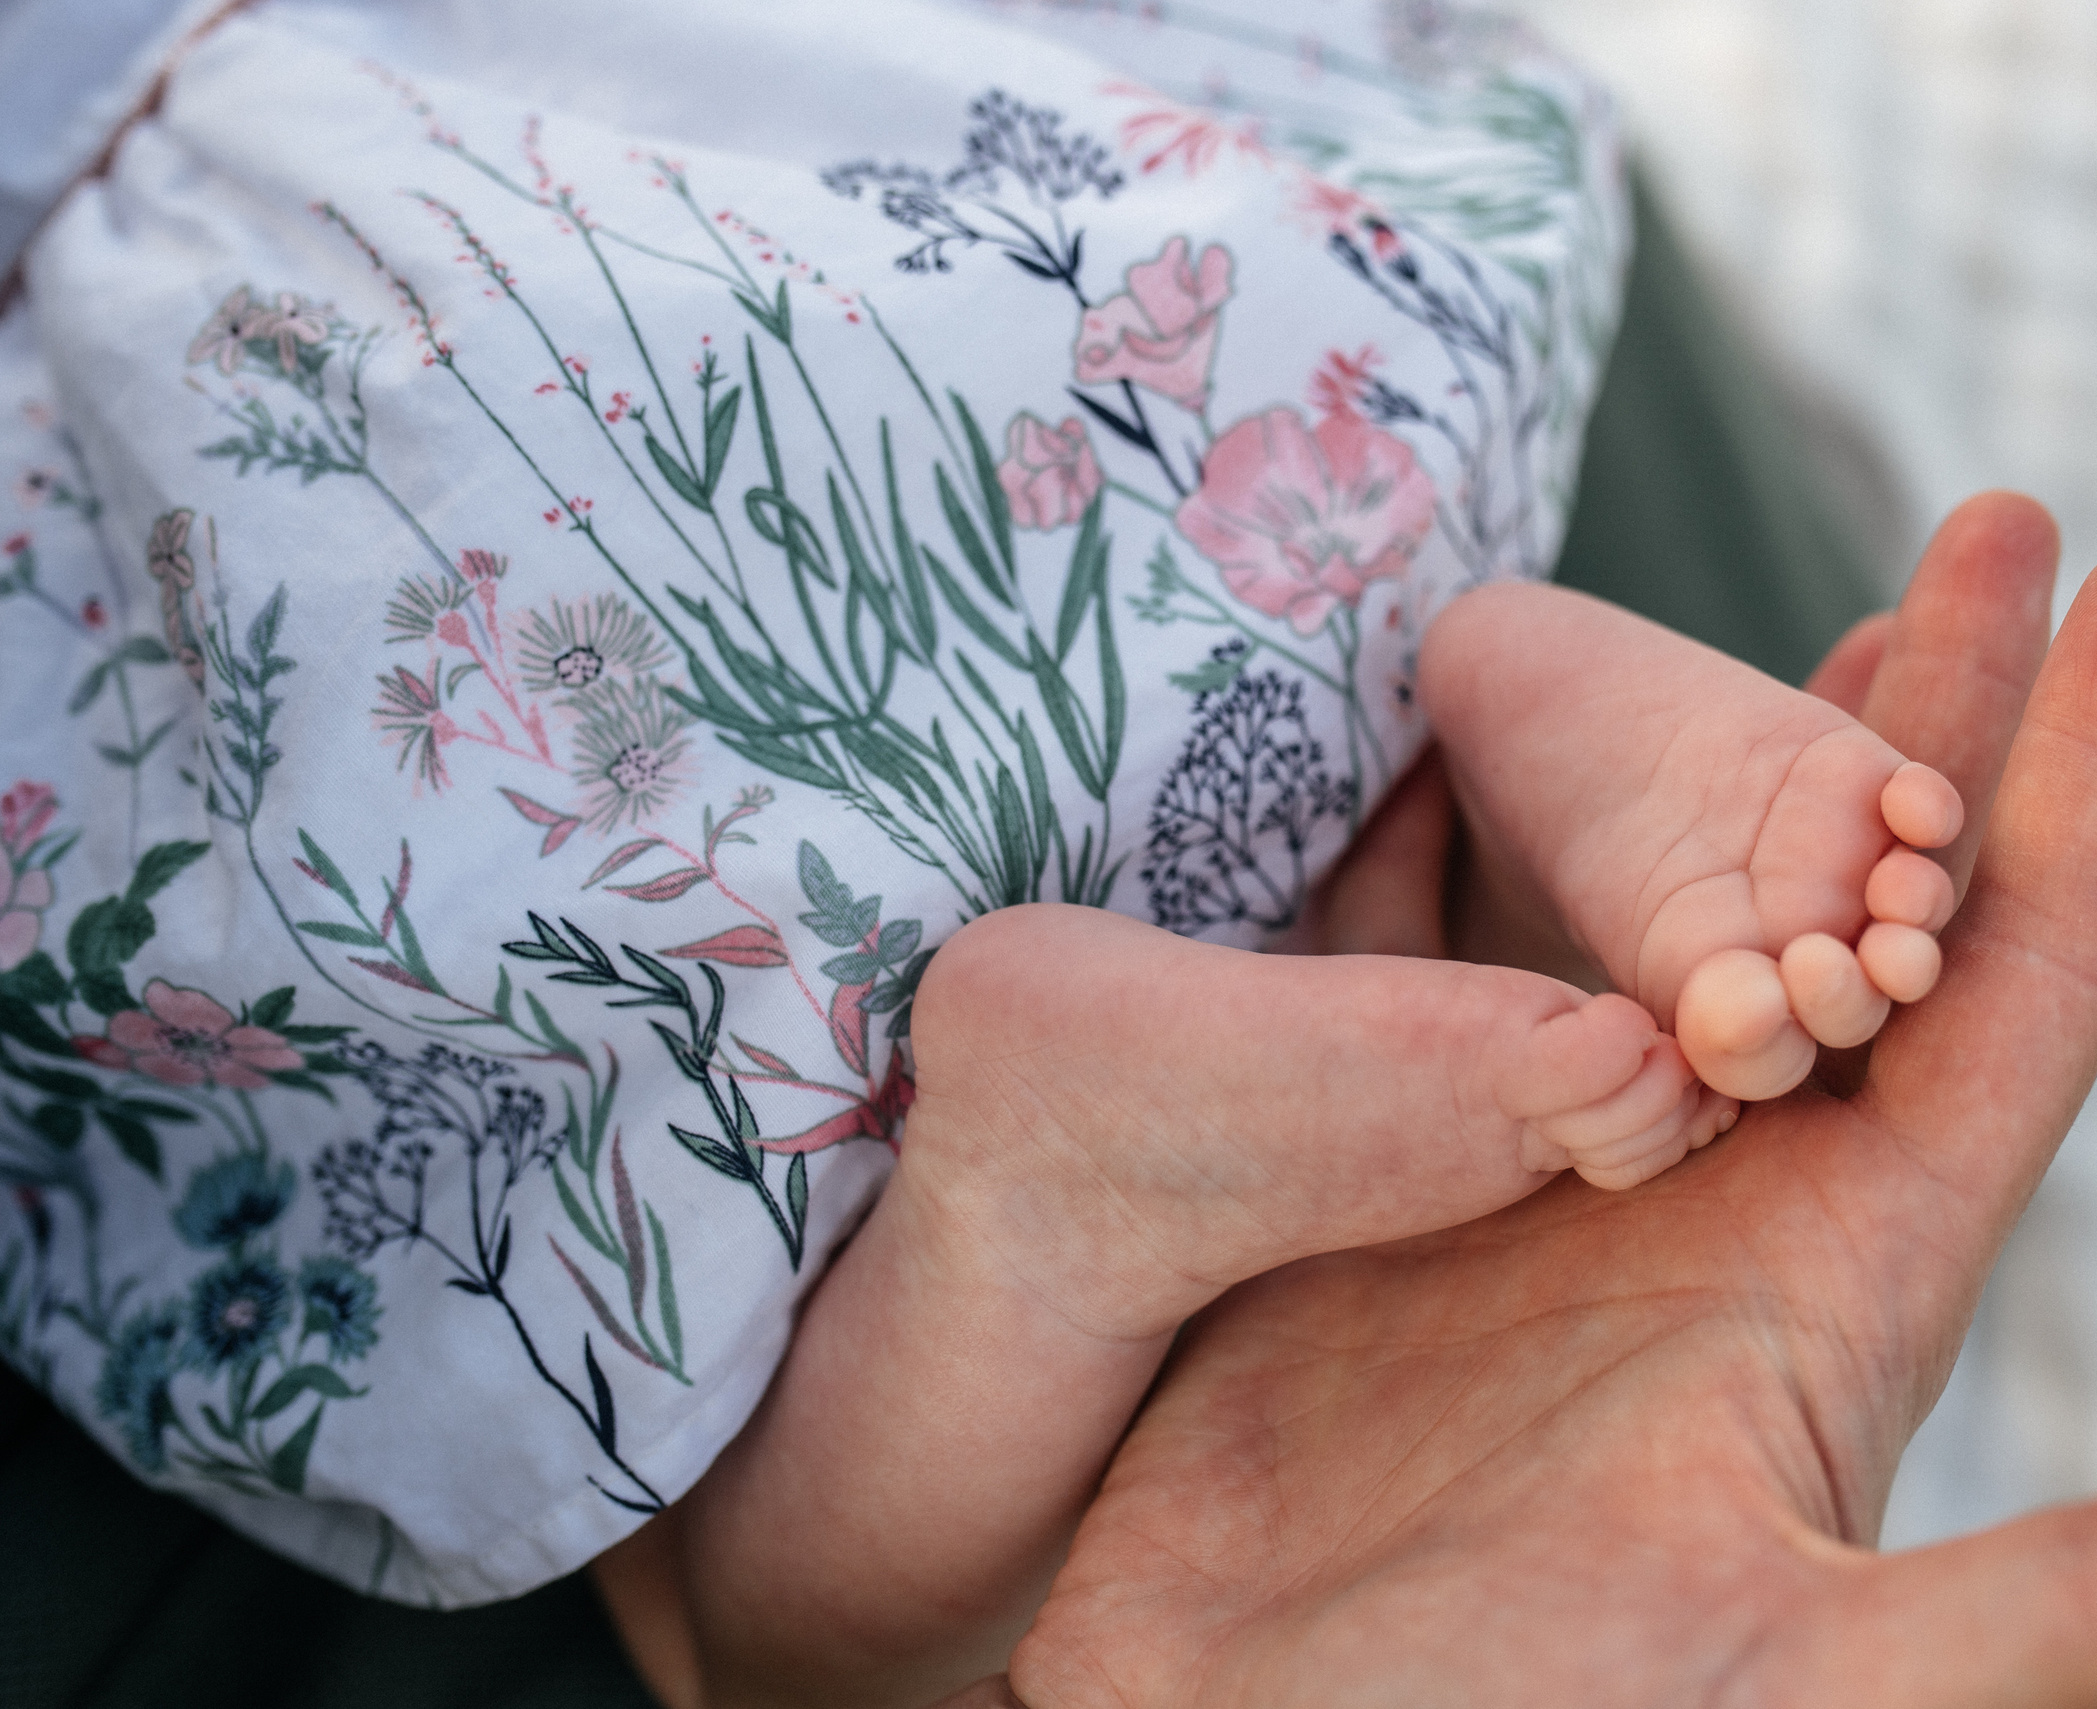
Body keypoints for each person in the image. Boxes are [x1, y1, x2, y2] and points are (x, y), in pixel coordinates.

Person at [0, 0, 1957, 1685]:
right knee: (1346, 498)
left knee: (727, 1565)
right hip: (925, 244)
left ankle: (1023, 1208)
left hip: (350, 563)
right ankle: (1483, 658)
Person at [899, 493, 2097, 1709]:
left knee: (793, 1652)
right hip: (1237, 594)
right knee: (806, 1636)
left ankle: (1038, 1210)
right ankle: (1492, 725)